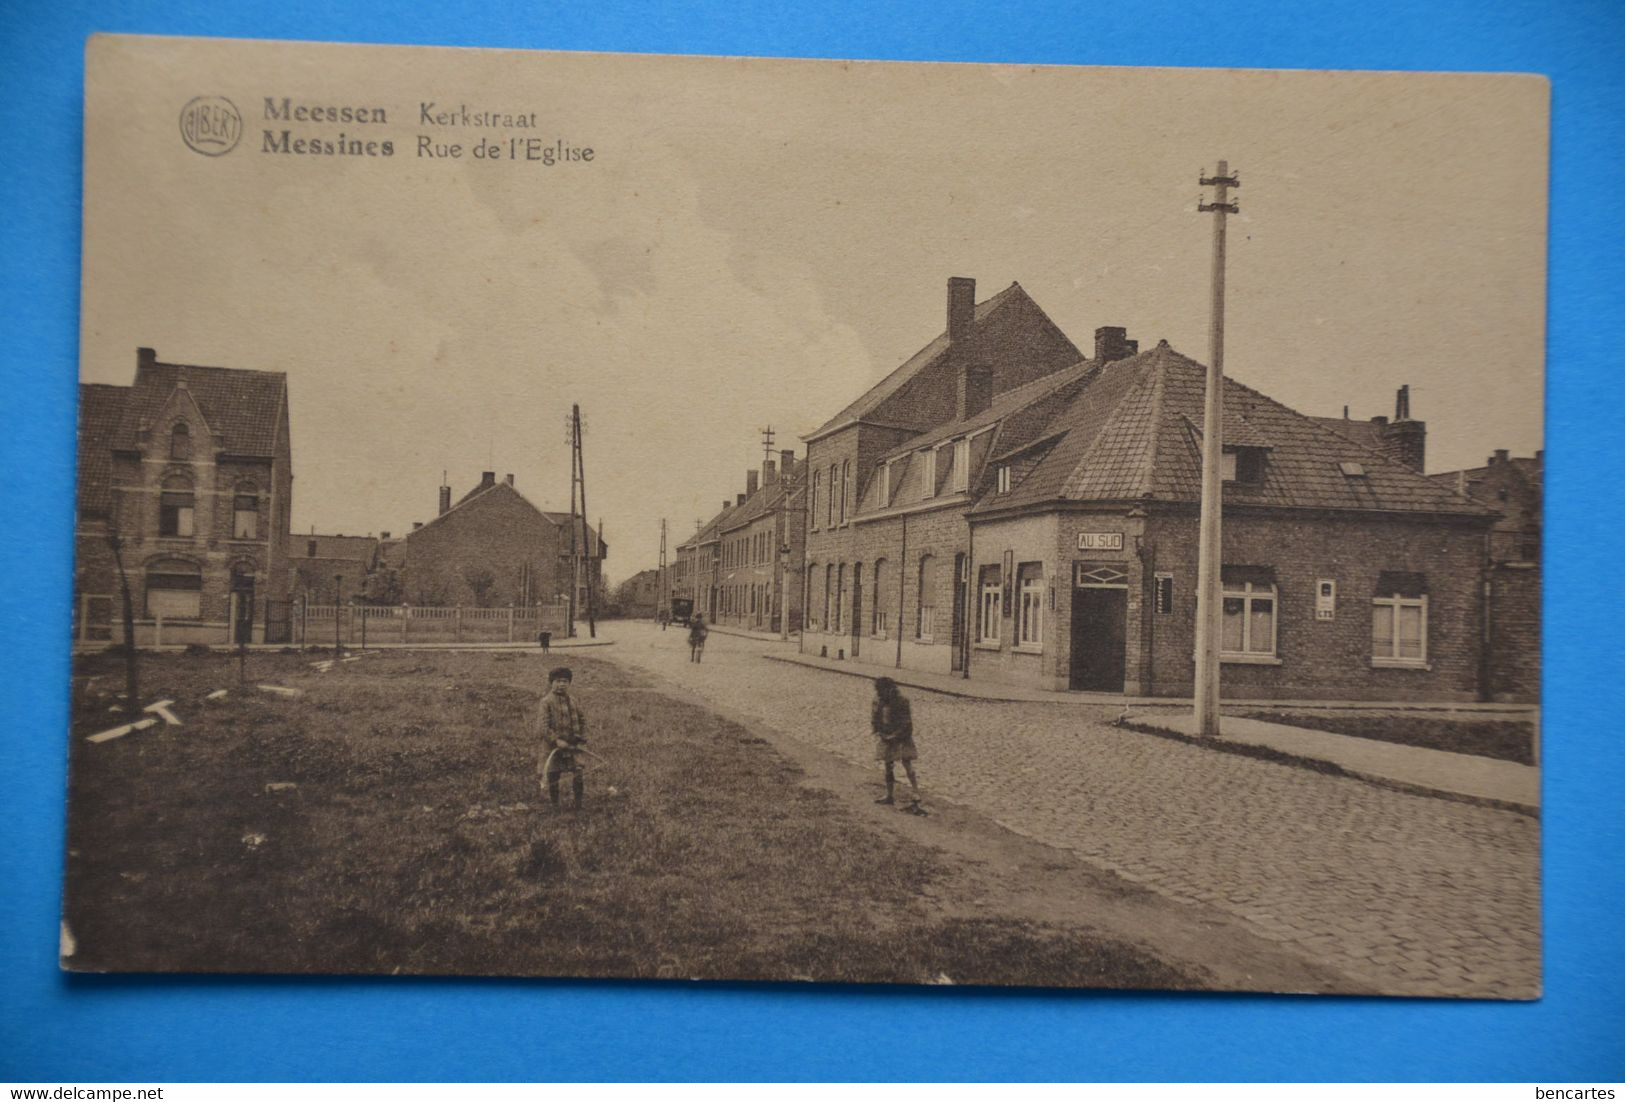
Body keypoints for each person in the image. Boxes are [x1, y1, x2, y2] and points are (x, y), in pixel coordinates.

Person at [537, 666, 587, 810]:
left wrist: (581, 737)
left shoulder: (573, 700)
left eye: (565, 681)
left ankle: (579, 805)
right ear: (551, 683)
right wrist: (556, 740)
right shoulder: (546, 702)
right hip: (553, 747)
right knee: (554, 774)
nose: (561, 684)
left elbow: (582, 720)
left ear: (569, 683)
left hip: (573, 745)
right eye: (558, 681)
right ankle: (555, 805)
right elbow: (543, 727)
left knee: (578, 773)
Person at [871, 677, 922, 813]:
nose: (879, 694)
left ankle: (916, 792)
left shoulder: (902, 701)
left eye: (881, 691)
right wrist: (879, 732)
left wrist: (895, 735)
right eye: (878, 692)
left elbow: (907, 723)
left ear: (890, 689)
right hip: (886, 736)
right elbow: (875, 718)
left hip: (901, 737)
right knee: (888, 765)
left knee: (907, 762)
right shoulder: (878, 700)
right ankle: (889, 795)